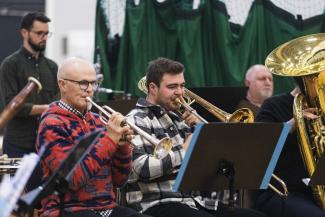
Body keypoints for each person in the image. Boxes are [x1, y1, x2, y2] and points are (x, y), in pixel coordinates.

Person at [125, 57, 266, 217]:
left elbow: (214, 162)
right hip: (156, 203)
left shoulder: (180, 117)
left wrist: (202, 131)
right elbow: (141, 168)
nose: (180, 92)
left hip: (193, 201)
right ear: (152, 88)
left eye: (182, 85)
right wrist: (185, 151)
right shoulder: (135, 119)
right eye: (172, 87)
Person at [36, 57, 151, 217]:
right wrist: (110, 139)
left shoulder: (99, 120)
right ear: (62, 84)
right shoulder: (51, 123)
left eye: (93, 83)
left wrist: (122, 148)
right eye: (83, 83)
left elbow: (119, 180)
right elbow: (72, 179)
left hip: (106, 209)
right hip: (67, 209)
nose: (89, 89)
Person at [255, 81, 325, 217]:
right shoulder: (273, 105)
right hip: (283, 192)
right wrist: (290, 125)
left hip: (316, 190)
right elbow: (257, 148)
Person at [0, 12, 59, 158]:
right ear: (24, 33)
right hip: (18, 144)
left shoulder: (52, 67)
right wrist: (47, 108)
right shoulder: (10, 65)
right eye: (39, 33)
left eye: (46, 33)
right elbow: (11, 106)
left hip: (46, 142)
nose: (44, 38)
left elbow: (57, 100)